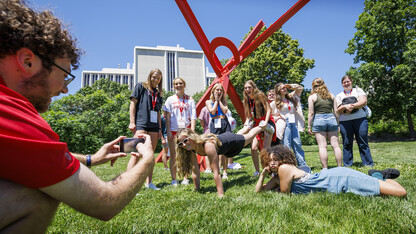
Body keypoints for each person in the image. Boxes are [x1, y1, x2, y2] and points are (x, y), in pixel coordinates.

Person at [0, 1, 155, 232]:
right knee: (34, 196)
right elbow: (104, 201)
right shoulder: (11, 115)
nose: (65, 89)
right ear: (27, 61)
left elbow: (28, 155)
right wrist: (147, 161)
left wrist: (92, 159)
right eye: (65, 75)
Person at [255, 145, 406, 197]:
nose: (273, 163)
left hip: (340, 178)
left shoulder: (284, 169)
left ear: (282, 160)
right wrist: (262, 175)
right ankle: (378, 176)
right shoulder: (277, 177)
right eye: (270, 160)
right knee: (385, 194)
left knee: (400, 193)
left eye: (276, 159)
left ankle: (380, 177)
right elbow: (258, 192)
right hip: (334, 180)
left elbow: (285, 194)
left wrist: (275, 187)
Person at [175, 122, 268, 197]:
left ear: (191, 137)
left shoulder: (208, 145)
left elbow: (216, 172)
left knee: (250, 136)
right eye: (180, 144)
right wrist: (197, 189)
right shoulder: (191, 149)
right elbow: (195, 171)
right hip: (224, 143)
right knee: (240, 135)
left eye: (185, 140)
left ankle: (262, 126)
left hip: (232, 142)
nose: (183, 144)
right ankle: (247, 126)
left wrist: (220, 194)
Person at [128, 68, 163, 190]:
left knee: (150, 155)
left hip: (153, 126)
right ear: (150, 76)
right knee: (136, 154)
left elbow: (158, 113)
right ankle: (129, 184)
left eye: (158, 78)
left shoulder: (158, 93)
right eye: (154, 77)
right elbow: (133, 103)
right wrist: (132, 121)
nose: (155, 80)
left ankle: (149, 182)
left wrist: (159, 128)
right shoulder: (141, 86)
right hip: (141, 123)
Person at [163, 77, 197, 186]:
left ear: (184, 85)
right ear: (174, 86)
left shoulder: (190, 99)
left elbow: (193, 116)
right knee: (173, 155)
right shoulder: (170, 99)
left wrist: (192, 131)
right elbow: (167, 117)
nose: (179, 85)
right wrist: (167, 131)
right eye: (176, 84)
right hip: (173, 130)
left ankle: (185, 178)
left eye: (181, 83)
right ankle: (174, 179)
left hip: (185, 131)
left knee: (185, 154)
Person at [335, 75, 373, 167]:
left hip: (360, 120)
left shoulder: (358, 91)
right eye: (344, 82)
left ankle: (368, 164)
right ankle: (347, 164)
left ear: (351, 82)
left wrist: (351, 106)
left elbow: (363, 102)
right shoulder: (339, 95)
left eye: (348, 81)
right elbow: (337, 109)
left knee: (362, 141)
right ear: (342, 84)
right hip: (345, 122)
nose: (346, 83)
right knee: (347, 143)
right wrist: (344, 107)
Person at [273, 82, 310, 172]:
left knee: (298, 144)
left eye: (285, 88)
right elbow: (272, 115)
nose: (284, 89)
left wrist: (290, 86)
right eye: (282, 88)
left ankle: (303, 166)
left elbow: (300, 88)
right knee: (286, 146)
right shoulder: (275, 102)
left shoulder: (292, 97)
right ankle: (288, 167)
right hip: (285, 124)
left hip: (294, 123)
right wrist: (280, 117)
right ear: (278, 91)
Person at [242, 80, 276, 177]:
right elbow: (248, 116)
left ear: (253, 88)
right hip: (257, 123)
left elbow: (269, 109)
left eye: (249, 87)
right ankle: (257, 171)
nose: (247, 89)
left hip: (267, 122)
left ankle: (270, 171)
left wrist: (265, 122)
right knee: (253, 148)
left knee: (265, 149)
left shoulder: (260, 95)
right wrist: (246, 124)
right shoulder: (247, 99)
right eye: (245, 88)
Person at [307, 78, 342, 169]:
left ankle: (325, 169)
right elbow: (336, 111)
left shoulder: (312, 97)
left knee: (322, 146)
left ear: (313, 86)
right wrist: (337, 124)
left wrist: (309, 126)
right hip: (331, 119)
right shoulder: (331, 95)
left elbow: (311, 113)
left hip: (319, 120)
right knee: (335, 145)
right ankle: (340, 167)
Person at [206, 83, 231, 179]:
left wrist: (220, 100)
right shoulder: (208, 102)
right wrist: (216, 100)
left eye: (221, 90)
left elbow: (225, 111)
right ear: (213, 91)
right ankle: (217, 170)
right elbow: (212, 111)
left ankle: (225, 171)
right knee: (215, 147)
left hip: (224, 122)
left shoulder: (224, 101)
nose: (219, 91)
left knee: (225, 147)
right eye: (217, 90)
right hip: (215, 123)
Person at [198, 106, 213, 173]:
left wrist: (204, 127)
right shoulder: (217, 106)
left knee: (207, 150)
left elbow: (201, 120)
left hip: (207, 131)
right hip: (216, 130)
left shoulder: (204, 109)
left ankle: (208, 168)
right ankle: (217, 166)